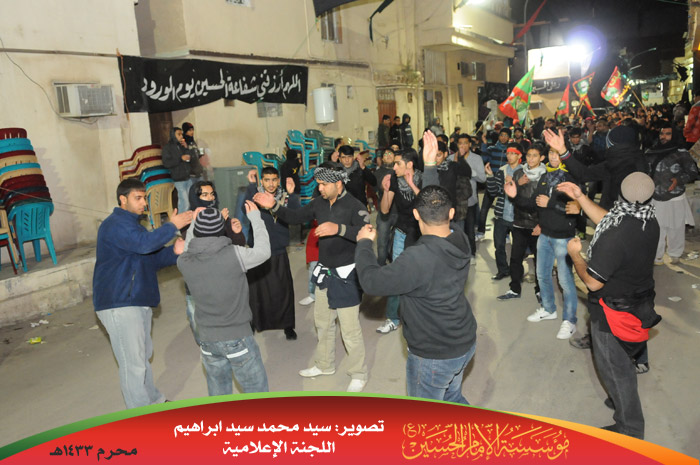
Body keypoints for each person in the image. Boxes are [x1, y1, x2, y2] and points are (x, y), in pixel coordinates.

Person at [355, 132, 477, 403]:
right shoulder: (459, 237)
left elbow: (371, 282)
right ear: (451, 214)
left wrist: (363, 244)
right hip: (464, 340)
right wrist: (429, 166)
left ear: (415, 215)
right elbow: (434, 201)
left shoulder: (416, 258)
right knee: (452, 397)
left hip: (435, 355)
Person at [559, 172, 661, 439]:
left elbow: (593, 283)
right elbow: (608, 219)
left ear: (620, 195)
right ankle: (620, 398)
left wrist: (575, 255)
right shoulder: (648, 220)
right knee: (624, 362)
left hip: (613, 312)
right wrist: (581, 197)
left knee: (616, 371)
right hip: (639, 303)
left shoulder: (614, 236)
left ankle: (630, 428)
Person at [253, 163, 370, 392]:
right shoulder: (319, 202)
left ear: (338, 183)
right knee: (323, 323)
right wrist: (274, 206)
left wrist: (339, 229)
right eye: (319, 184)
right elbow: (295, 216)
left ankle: (358, 373)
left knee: (350, 330)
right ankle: (325, 365)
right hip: (325, 273)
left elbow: (367, 233)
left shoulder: (355, 206)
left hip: (347, 277)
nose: (320, 188)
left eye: (324, 184)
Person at [93, 178, 193, 409]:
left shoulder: (134, 227)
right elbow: (144, 245)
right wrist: (171, 226)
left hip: (135, 298)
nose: (143, 203)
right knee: (133, 363)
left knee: (142, 358)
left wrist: (174, 251)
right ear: (122, 199)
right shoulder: (114, 225)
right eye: (138, 198)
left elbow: (151, 259)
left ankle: (153, 402)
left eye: (144, 198)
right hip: (119, 302)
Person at [177, 205, 270, 396]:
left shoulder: (184, 261)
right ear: (221, 229)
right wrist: (255, 217)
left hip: (207, 340)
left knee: (218, 391)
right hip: (237, 336)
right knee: (255, 390)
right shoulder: (235, 254)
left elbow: (188, 247)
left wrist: (194, 222)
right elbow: (263, 252)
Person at [521, 143, 581, 340]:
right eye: (551, 153)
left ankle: (570, 320)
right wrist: (514, 195)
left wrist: (551, 203)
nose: (554, 157)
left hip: (563, 236)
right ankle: (548, 309)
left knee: (565, 280)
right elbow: (534, 203)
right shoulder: (546, 177)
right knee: (542, 275)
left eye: (557, 153)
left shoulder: (571, 178)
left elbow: (575, 209)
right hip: (545, 234)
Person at [184, 180, 245, 344]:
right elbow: (191, 250)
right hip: (197, 283)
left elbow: (237, 246)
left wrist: (237, 232)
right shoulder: (188, 219)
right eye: (204, 195)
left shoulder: (220, 215)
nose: (210, 198)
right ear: (195, 197)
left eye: (212, 194)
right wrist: (217, 224)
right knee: (200, 326)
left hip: (220, 280)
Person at [244, 167, 301, 340]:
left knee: (283, 291)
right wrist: (251, 186)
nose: (271, 184)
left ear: (278, 180)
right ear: (262, 181)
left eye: (274, 180)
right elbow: (245, 208)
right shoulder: (256, 196)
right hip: (258, 252)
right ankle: (254, 323)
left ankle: (288, 326)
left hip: (278, 251)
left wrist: (292, 194)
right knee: (256, 291)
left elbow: (295, 216)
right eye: (267, 180)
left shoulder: (284, 198)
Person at [376, 149, 423, 334]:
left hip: (421, 234)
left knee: (419, 275)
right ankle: (393, 318)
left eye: (398, 164)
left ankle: (419, 315)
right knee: (397, 274)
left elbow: (428, 205)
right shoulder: (394, 180)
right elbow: (384, 210)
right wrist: (386, 190)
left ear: (409, 164)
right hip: (402, 231)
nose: (394, 167)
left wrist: (412, 185)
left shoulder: (424, 178)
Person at [645, 124, 698, 264]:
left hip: (676, 197)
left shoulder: (681, 153)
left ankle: (675, 253)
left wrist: (678, 180)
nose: (663, 137)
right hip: (655, 197)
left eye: (668, 134)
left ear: (674, 135)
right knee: (657, 228)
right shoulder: (651, 151)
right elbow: (645, 171)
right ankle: (657, 256)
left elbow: (693, 172)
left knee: (676, 227)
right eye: (662, 133)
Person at [499, 144, 545, 301]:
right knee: (515, 258)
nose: (531, 159)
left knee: (539, 260)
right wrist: (518, 184)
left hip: (536, 225)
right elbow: (511, 195)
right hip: (519, 222)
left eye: (535, 155)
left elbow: (539, 203)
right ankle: (514, 288)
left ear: (541, 158)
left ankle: (540, 290)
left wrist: (541, 224)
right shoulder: (519, 173)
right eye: (529, 155)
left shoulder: (545, 176)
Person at [485, 142, 522, 280]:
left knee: (518, 248)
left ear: (519, 156)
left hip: (518, 216)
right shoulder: (502, 170)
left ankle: (516, 272)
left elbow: (525, 193)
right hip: (501, 215)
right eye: (508, 153)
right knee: (499, 245)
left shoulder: (524, 171)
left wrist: (513, 182)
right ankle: (503, 270)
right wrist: (490, 176)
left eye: (513, 153)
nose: (510, 156)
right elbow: (494, 191)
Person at [478, 128, 512, 241]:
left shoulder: (510, 150)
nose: (503, 137)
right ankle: (480, 231)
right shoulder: (491, 149)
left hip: (505, 183)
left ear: (509, 137)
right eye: (501, 135)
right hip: (492, 181)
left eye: (506, 135)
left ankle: (506, 234)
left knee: (506, 209)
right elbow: (483, 159)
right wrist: (484, 144)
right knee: (484, 208)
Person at [162, 127, 203, 214]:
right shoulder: (167, 148)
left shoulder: (182, 146)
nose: (181, 136)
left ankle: (189, 219)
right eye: (179, 134)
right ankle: (181, 220)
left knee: (190, 201)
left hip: (188, 177)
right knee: (184, 203)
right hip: (179, 179)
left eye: (182, 134)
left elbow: (190, 157)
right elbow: (166, 163)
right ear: (173, 135)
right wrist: (180, 159)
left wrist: (186, 148)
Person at [457, 135, 486, 255]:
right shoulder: (451, 158)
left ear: (470, 144)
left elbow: (483, 178)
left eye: (465, 143)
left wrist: (471, 172)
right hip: (455, 200)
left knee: (470, 230)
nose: (463, 146)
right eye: (460, 143)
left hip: (470, 200)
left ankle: (471, 254)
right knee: (457, 230)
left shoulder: (476, 158)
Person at [374, 148, 398, 266]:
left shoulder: (399, 170)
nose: (388, 156)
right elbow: (378, 188)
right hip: (384, 214)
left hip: (399, 212)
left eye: (390, 153)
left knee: (396, 242)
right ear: (382, 158)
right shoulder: (378, 173)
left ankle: (394, 265)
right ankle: (381, 266)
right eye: (385, 154)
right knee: (382, 242)